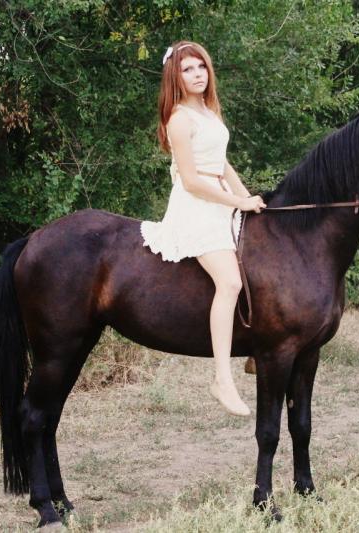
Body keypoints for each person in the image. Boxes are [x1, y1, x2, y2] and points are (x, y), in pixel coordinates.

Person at [140, 41, 267, 417]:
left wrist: (247, 199)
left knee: (260, 260)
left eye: (201, 67)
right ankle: (221, 380)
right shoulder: (179, 118)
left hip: (221, 198)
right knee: (229, 282)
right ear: (175, 77)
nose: (197, 74)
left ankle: (258, 347)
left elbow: (222, 165)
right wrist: (236, 202)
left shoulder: (209, 111)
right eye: (187, 69)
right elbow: (193, 181)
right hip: (195, 206)